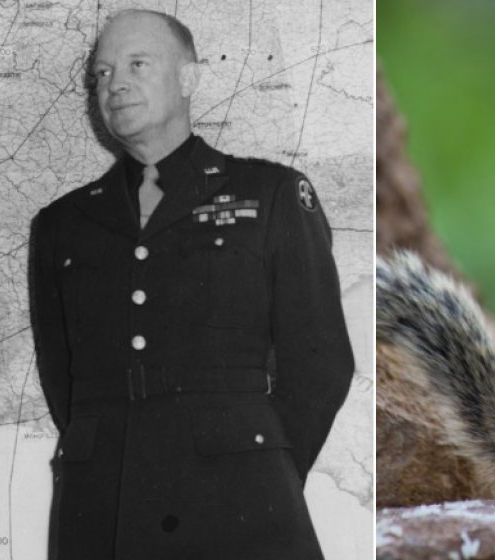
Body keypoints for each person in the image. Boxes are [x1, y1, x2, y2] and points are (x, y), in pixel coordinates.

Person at [29, 9, 354, 559]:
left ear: (189, 78)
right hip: (102, 514)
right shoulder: (61, 226)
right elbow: (65, 385)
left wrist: (258, 465)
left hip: (242, 510)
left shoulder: (271, 195)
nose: (116, 84)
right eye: (102, 74)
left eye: (137, 64)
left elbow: (321, 363)